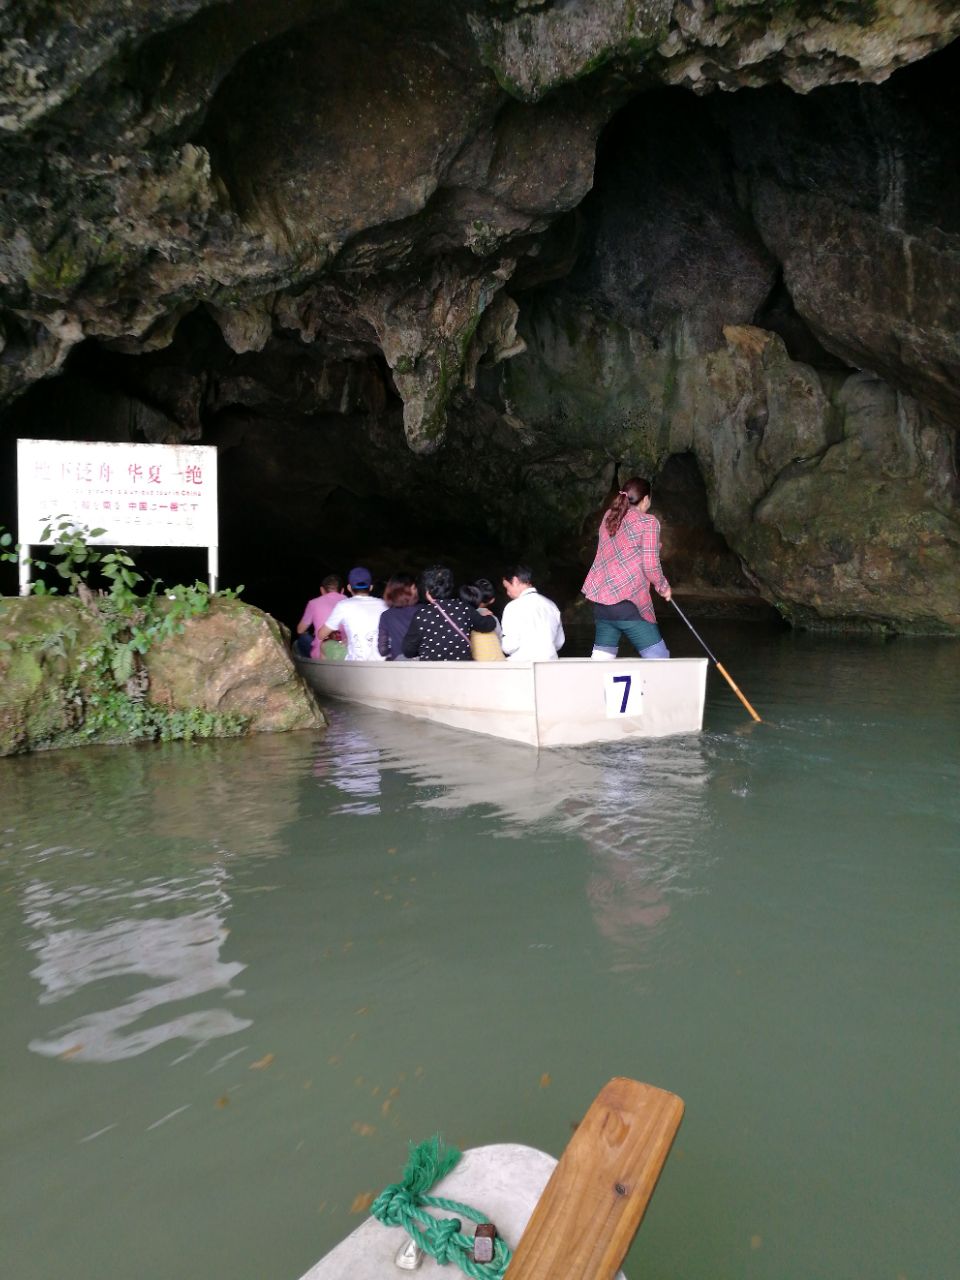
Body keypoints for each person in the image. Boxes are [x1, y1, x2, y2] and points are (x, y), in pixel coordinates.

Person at [581, 477, 672, 660]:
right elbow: (651, 565)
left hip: (602, 603)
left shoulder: (609, 516)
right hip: (628, 605)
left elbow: (620, 550)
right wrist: (663, 587)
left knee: (601, 662)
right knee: (660, 659)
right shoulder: (649, 523)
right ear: (646, 499)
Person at [402, 565, 497, 661]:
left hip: (431, 672)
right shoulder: (463, 608)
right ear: (450, 588)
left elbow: (408, 651)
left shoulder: (421, 615)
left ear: (427, 592)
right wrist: (489, 616)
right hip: (461, 671)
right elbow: (489, 625)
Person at [315, 566, 387, 661]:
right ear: (371, 587)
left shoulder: (343, 605)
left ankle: (326, 675)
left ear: (349, 588)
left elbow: (321, 635)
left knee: (324, 644)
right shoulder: (384, 604)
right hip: (382, 659)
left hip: (355, 661)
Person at [500, 565, 565, 661]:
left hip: (523, 664)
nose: (507, 592)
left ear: (515, 581)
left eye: (507, 587)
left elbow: (509, 646)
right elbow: (559, 642)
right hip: (550, 662)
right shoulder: (551, 605)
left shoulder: (512, 607)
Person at [296, 574, 345, 659]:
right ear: (342, 591)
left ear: (322, 590)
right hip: (346, 649)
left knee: (303, 638)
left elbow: (300, 630)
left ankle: (308, 665)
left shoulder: (313, 603)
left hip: (321, 654)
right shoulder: (349, 603)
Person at [378, 573, 419, 660]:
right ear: (409, 590)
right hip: (421, 664)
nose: (416, 591)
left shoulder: (386, 616)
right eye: (414, 588)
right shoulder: (422, 611)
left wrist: (394, 649)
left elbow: (382, 650)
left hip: (398, 665)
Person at [460, 582, 505, 661]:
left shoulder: (461, 617)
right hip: (497, 661)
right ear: (492, 600)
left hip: (475, 663)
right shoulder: (491, 618)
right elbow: (501, 643)